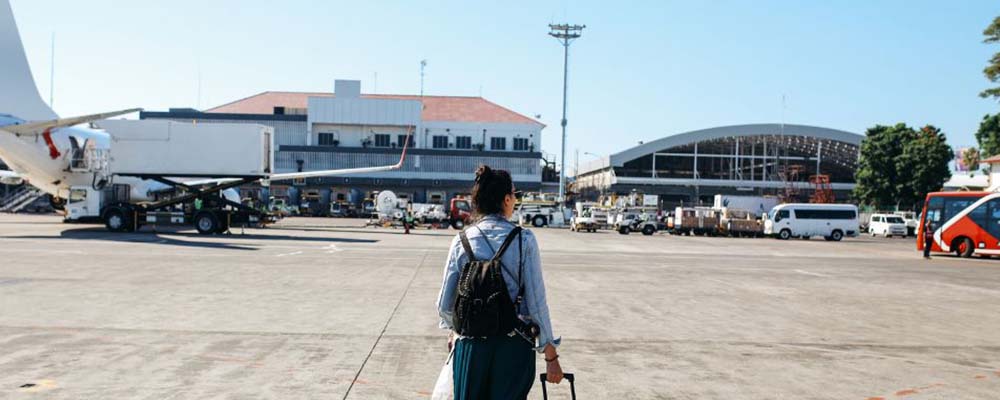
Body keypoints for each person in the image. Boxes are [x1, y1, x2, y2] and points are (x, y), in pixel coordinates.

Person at [436, 165, 563, 400]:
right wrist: (550, 356)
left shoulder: (461, 240)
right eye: (515, 194)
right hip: (513, 348)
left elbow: (444, 305)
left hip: (470, 348)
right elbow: (536, 304)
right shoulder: (524, 239)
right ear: (506, 199)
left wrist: (457, 332)